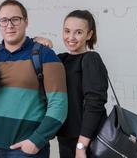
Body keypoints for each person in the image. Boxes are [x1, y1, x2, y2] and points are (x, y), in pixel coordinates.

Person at [0, 0, 68, 158]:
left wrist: (37, 140)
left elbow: (59, 103)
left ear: (26, 21)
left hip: (26, 150)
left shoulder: (45, 55)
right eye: (4, 20)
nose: (9, 25)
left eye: (15, 19)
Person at [36, 10, 108, 158]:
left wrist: (81, 145)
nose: (71, 37)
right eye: (67, 31)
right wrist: (37, 41)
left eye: (78, 32)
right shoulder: (61, 59)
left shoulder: (90, 59)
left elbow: (95, 103)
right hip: (67, 138)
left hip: (88, 140)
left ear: (89, 35)